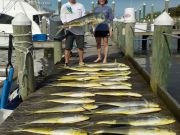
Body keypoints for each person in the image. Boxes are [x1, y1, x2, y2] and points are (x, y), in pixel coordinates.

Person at [60, 0, 85, 66]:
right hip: (69, 30)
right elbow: (62, 16)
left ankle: (81, 61)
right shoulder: (65, 6)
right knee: (67, 47)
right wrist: (65, 23)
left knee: (80, 47)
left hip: (80, 30)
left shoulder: (81, 6)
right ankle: (66, 62)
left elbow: (84, 16)